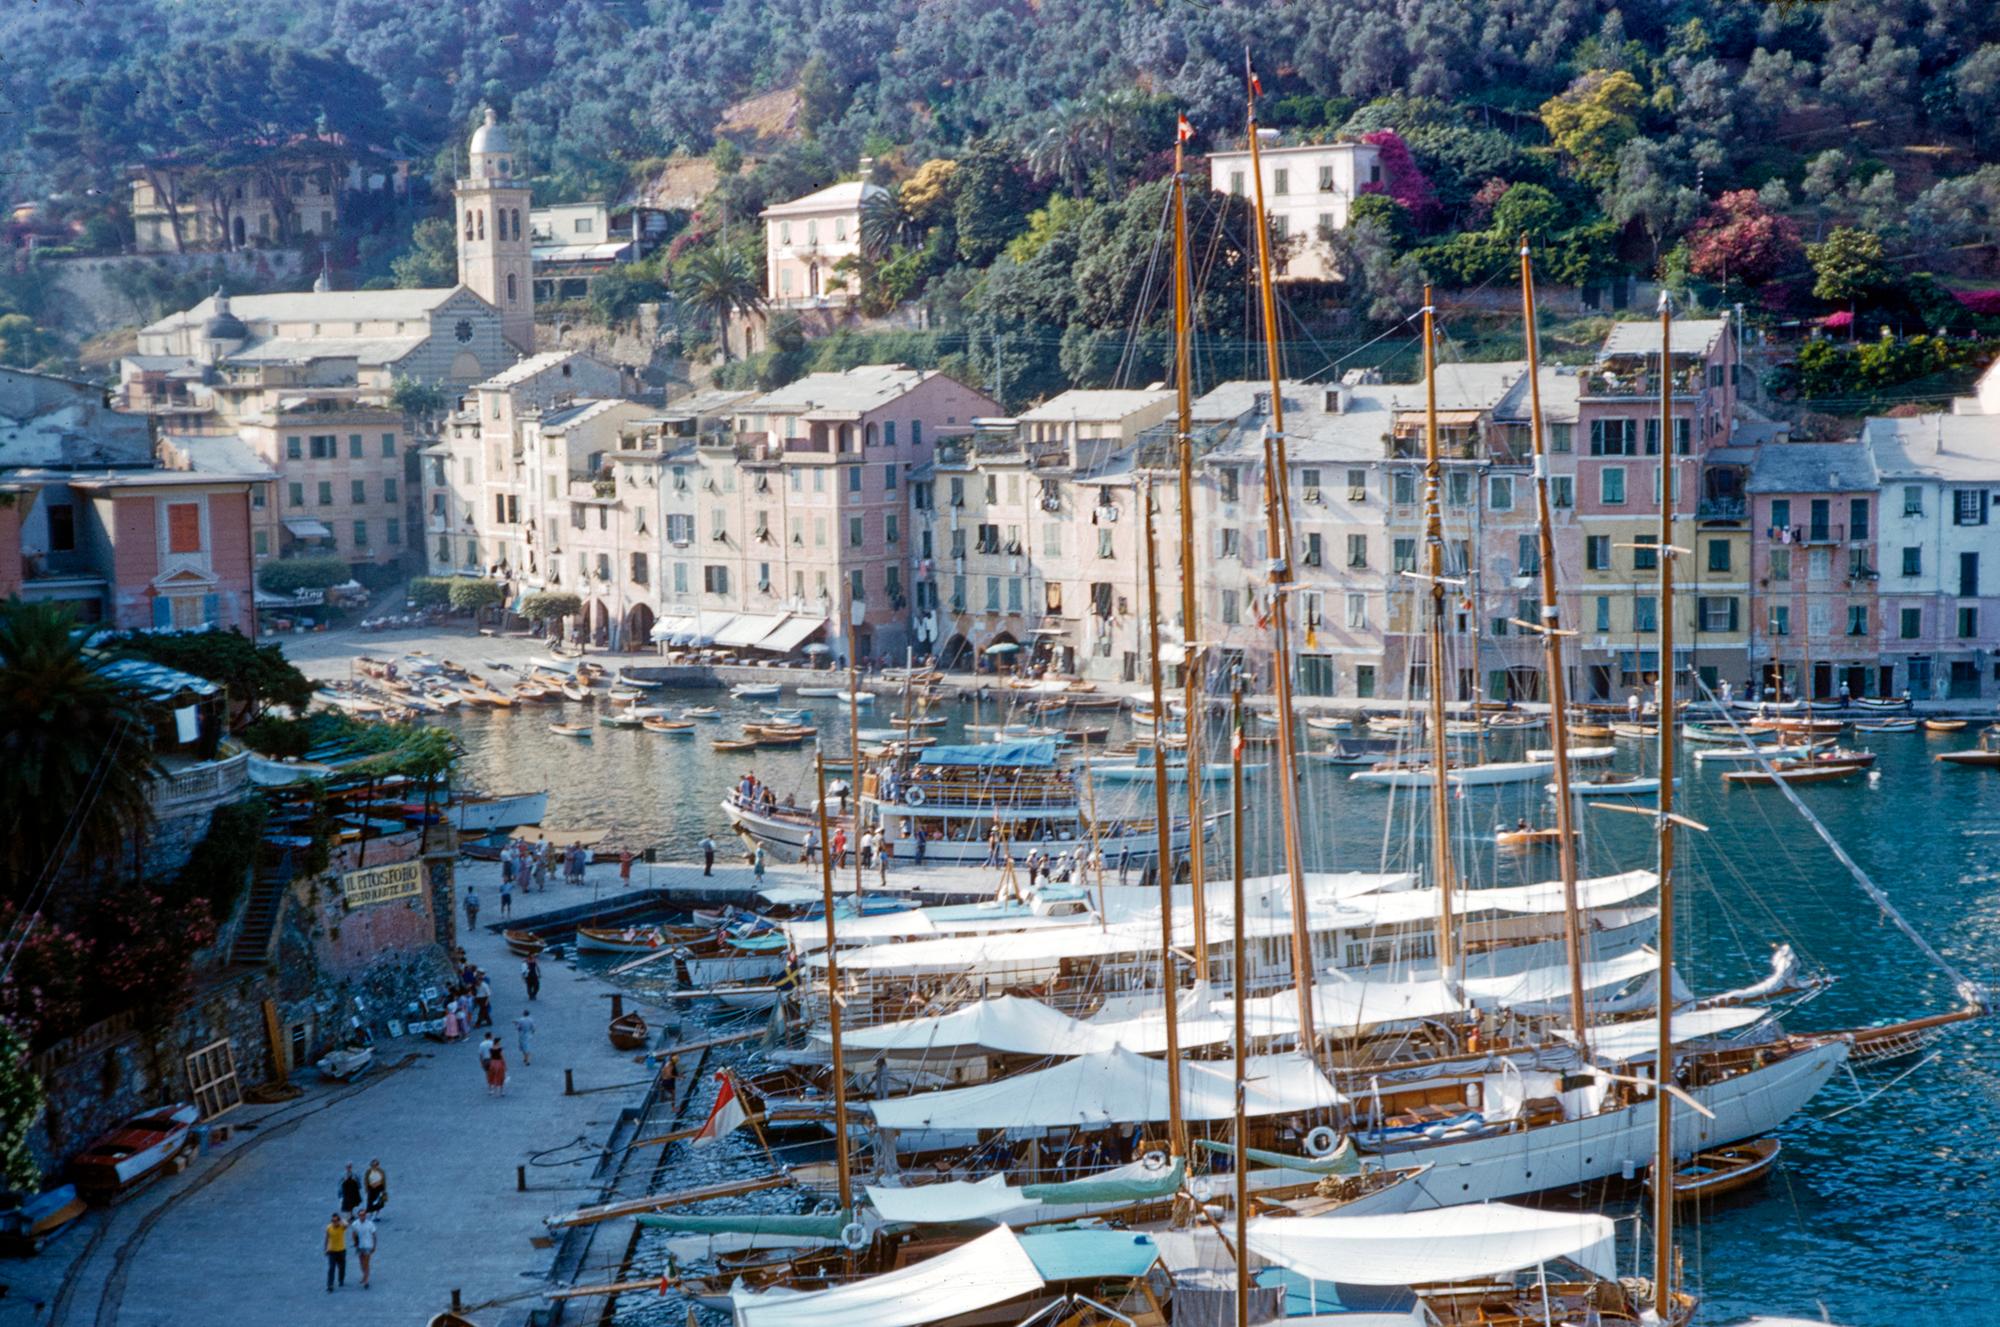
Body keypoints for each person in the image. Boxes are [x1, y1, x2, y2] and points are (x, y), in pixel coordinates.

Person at [349, 1210, 377, 1289]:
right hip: (360, 1246)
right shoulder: (355, 1224)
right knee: (361, 1263)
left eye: (363, 1215)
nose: (362, 1216)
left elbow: (374, 1235)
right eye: (361, 1215)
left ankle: (366, 1280)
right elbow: (354, 1234)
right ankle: (364, 1275)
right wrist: (355, 1243)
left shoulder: (370, 1224)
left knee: (366, 1263)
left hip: (368, 1245)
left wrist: (374, 1246)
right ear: (358, 1215)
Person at [324, 1212, 348, 1292]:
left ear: (338, 1220)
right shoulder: (329, 1228)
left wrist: (341, 1220)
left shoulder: (342, 1227)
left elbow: (347, 1225)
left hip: (341, 1250)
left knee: (342, 1267)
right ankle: (330, 1285)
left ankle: (341, 1279)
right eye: (332, 1220)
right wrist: (325, 1248)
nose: (334, 1222)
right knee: (331, 1268)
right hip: (332, 1251)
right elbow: (327, 1238)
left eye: (336, 1220)